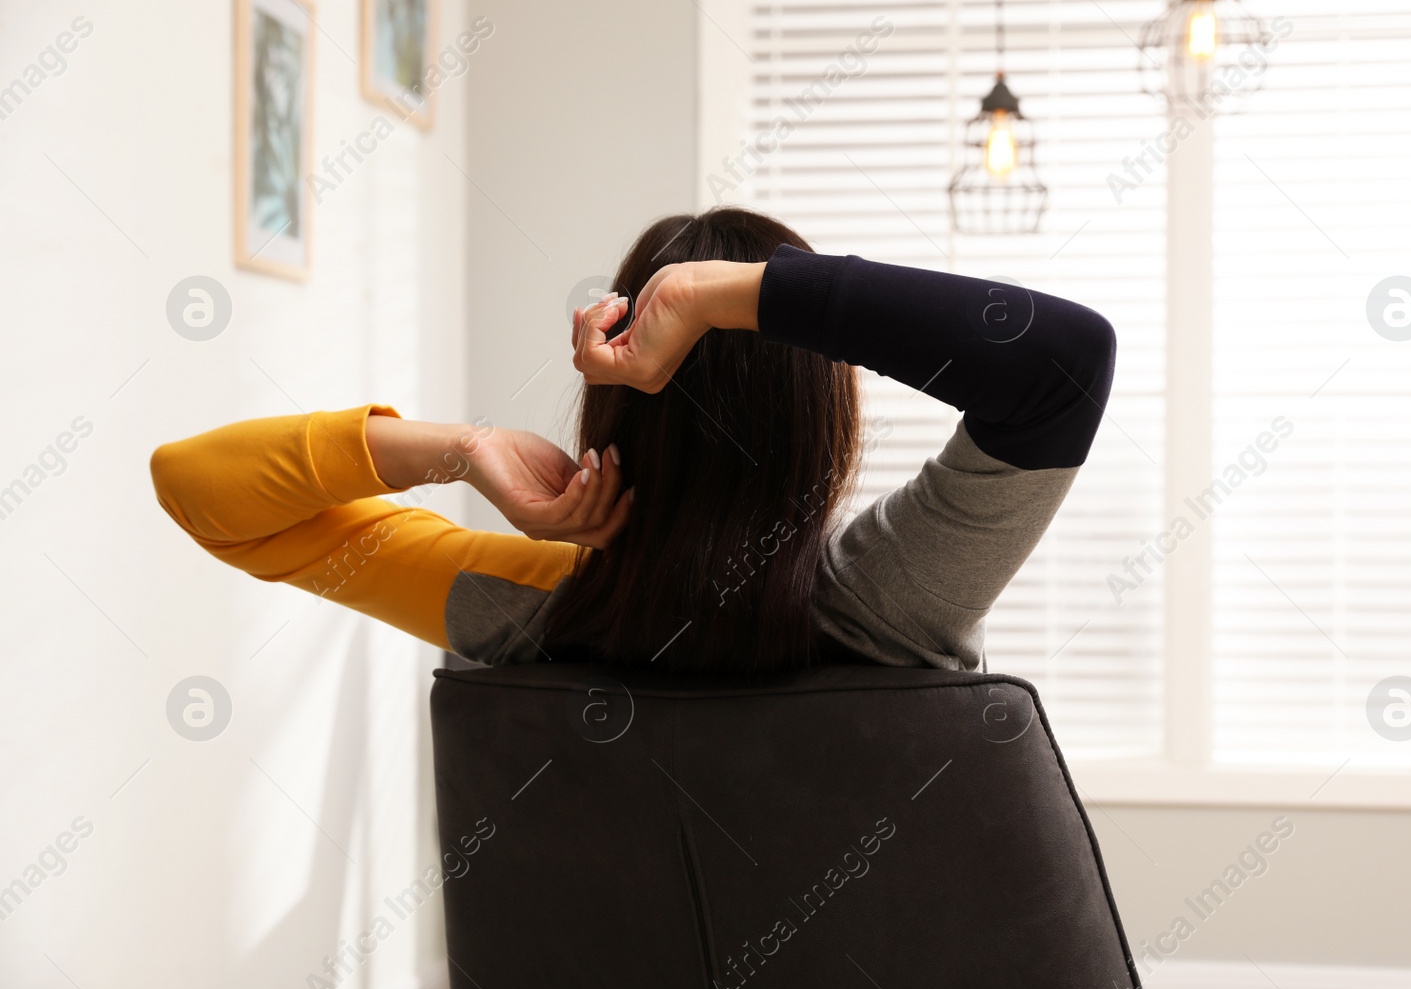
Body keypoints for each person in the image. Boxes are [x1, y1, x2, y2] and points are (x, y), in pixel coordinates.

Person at [151, 208, 1114, 674]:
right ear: (825, 413)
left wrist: (461, 448)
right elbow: (1063, 364)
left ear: (614, 407)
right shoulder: (887, 606)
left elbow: (197, 488)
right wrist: (733, 297)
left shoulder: (524, 612)